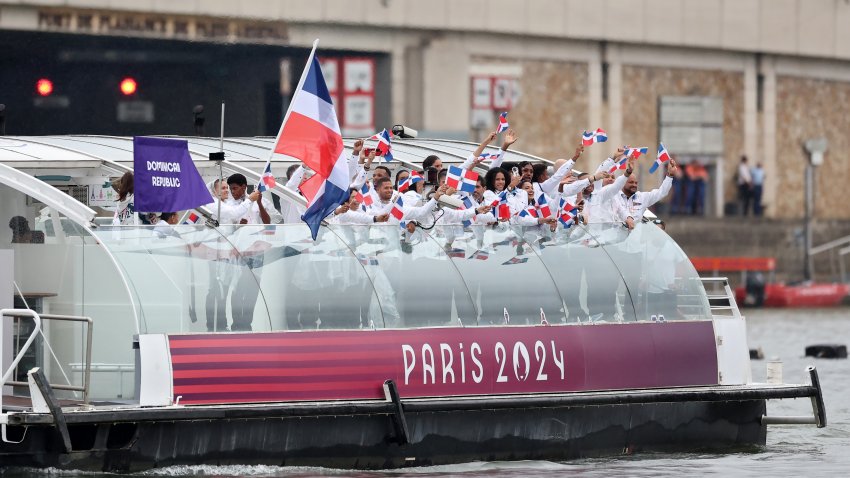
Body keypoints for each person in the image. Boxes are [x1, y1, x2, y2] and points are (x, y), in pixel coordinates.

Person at [617, 159, 677, 229]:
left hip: (635, 238)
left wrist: (670, 175)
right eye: (631, 182)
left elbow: (662, 192)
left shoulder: (642, 197)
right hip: (616, 237)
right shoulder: (614, 197)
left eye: (636, 183)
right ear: (622, 183)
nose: (634, 185)